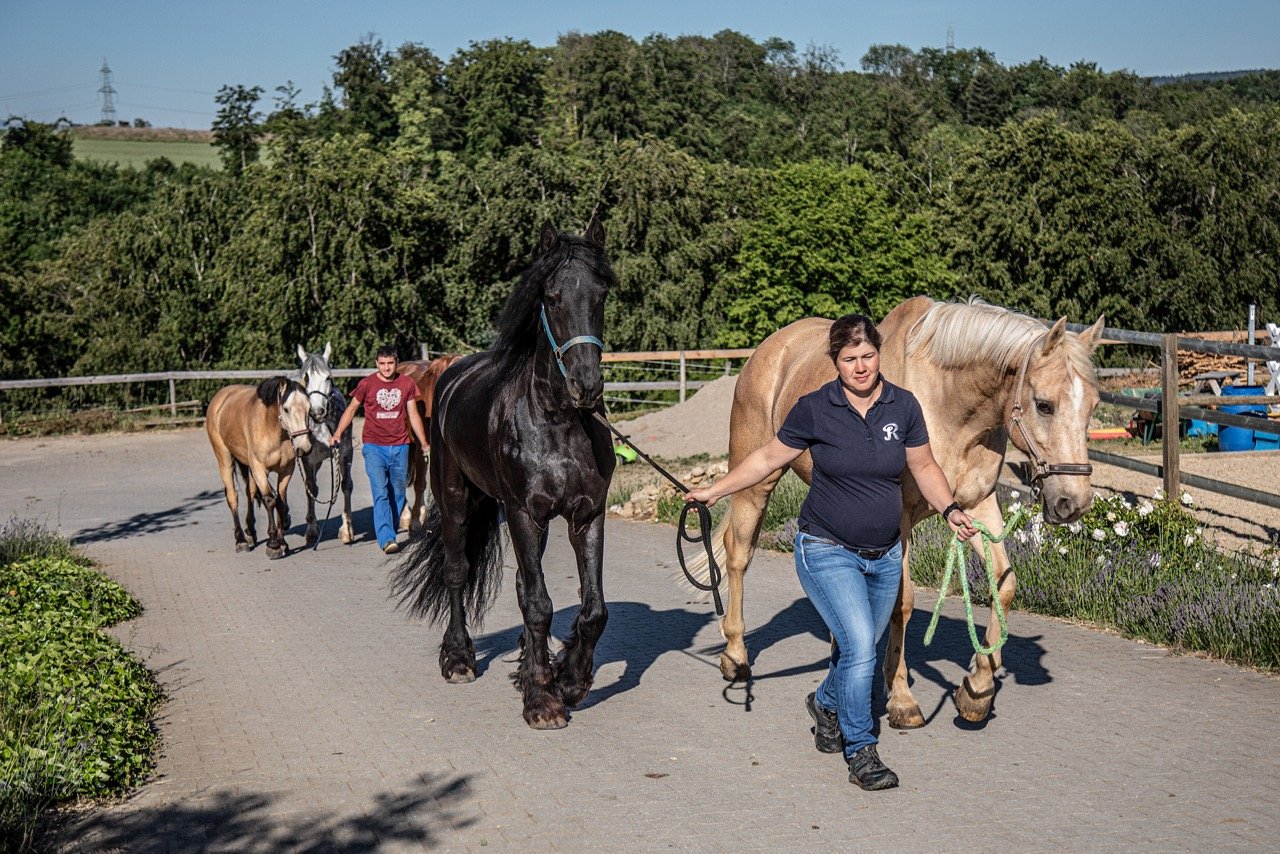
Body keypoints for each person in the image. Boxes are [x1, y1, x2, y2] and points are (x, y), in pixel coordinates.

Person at [685, 313, 977, 791]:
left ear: (878, 355)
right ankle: (861, 748)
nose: (861, 367)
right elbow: (766, 457)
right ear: (835, 362)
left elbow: (924, 467)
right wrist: (715, 490)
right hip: (826, 549)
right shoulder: (815, 408)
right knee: (860, 646)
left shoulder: (903, 406)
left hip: (885, 556)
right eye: (849, 359)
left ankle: (824, 702)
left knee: (864, 647)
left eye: (868, 356)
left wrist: (949, 509)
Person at [330, 345, 428, 555]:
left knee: (398, 492)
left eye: (390, 363)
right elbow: (351, 409)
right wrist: (337, 433)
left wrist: (424, 442)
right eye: (382, 364)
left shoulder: (406, 384)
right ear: (376, 363)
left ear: (396, 363)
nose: (386, 368)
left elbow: (413, 415)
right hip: (374, 447)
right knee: (381, 492)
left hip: (400, 446)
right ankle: (387, 537)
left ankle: (389, 529)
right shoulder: (367, 384)